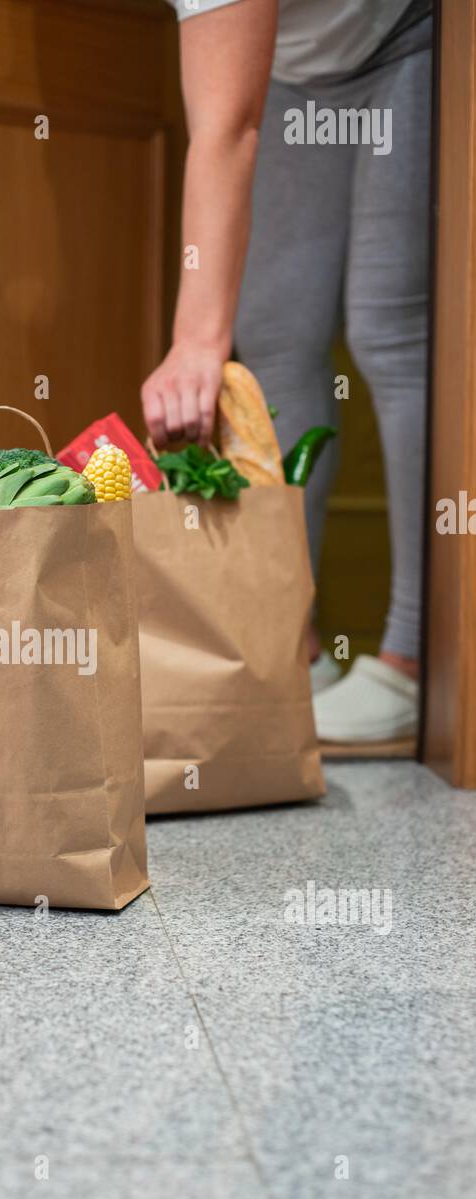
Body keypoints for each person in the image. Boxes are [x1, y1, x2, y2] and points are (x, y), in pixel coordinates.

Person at [145, 0, 432, 743]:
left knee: (389, 328)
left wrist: (195, 340)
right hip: (296, 73)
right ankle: (294, 645)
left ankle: (418, 655)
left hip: (409, 34)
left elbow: (226, 129)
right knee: (274, 335)